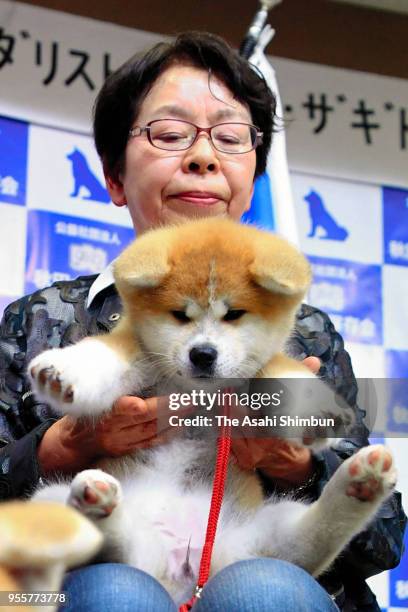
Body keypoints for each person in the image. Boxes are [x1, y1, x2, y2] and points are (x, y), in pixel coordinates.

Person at [0, 32, 405, 612]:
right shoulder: (37, 321)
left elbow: (386, 537)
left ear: (251, 183)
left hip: (249, 557)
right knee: (114, 590)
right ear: (114, 178)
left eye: (230, 137)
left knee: (264, 590)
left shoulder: (305, 329)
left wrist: (291, 458)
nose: (203, 156)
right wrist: (62, 445)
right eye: (169, 134)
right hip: (97, 575)